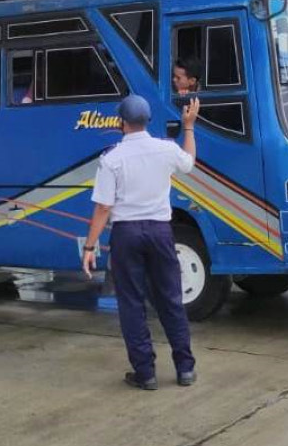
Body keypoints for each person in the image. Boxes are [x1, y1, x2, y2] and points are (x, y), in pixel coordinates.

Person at [82, 94, 200, 390]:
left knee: (132, 303)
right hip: (161, 231)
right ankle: (185, 368)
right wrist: (188, 127)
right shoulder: (166, 149)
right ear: (147, 120)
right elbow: (189, 164)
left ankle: (145, 373)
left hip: (127, 234)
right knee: (171, 299)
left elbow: (103, 208)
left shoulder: (111, 159)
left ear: (122, 122)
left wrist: (89, 246)